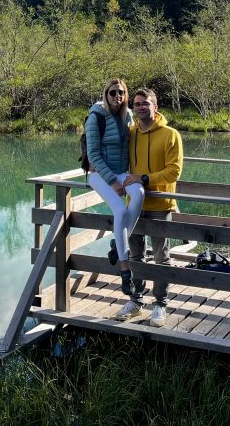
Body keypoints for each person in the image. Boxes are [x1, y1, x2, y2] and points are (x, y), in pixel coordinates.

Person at [114, 87, 183, 327]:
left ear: (156, 107)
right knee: (135, 255)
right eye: (137, 104)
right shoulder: (130, 133)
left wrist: (143, 178)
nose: (140, 107)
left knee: (161, 258)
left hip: (160, 205)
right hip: (133, 205)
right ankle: (136, 300)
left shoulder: (170, 134)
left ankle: (160, 305)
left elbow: (174, 171)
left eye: (145, 103)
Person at [84, 78, 145, 297]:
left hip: (121, 171)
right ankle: (124, 267)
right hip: (98, 174)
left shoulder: (127, 116)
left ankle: (118, 240)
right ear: (105, 94)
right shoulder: (95, 118)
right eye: (112, 93)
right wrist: (112, 181)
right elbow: (93, 154)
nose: (117, 96)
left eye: (121, 92)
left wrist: (128, 178)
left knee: (138, 193)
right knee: (119, 210)